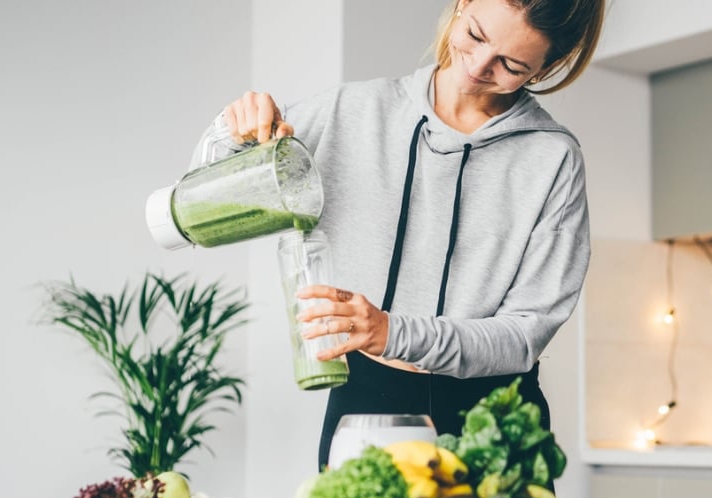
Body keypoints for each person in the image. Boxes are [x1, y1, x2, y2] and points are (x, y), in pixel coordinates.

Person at [200, 0, 604, 470]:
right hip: (366, 404)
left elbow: (523, 335)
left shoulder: (553, 159)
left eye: (512, 65)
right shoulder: (350, 110)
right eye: (475, 35)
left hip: (494, 418)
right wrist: (236, 131)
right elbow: (203, 199)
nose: (477, 68)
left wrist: (391, 332)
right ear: (462, 5)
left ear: (547, 67)